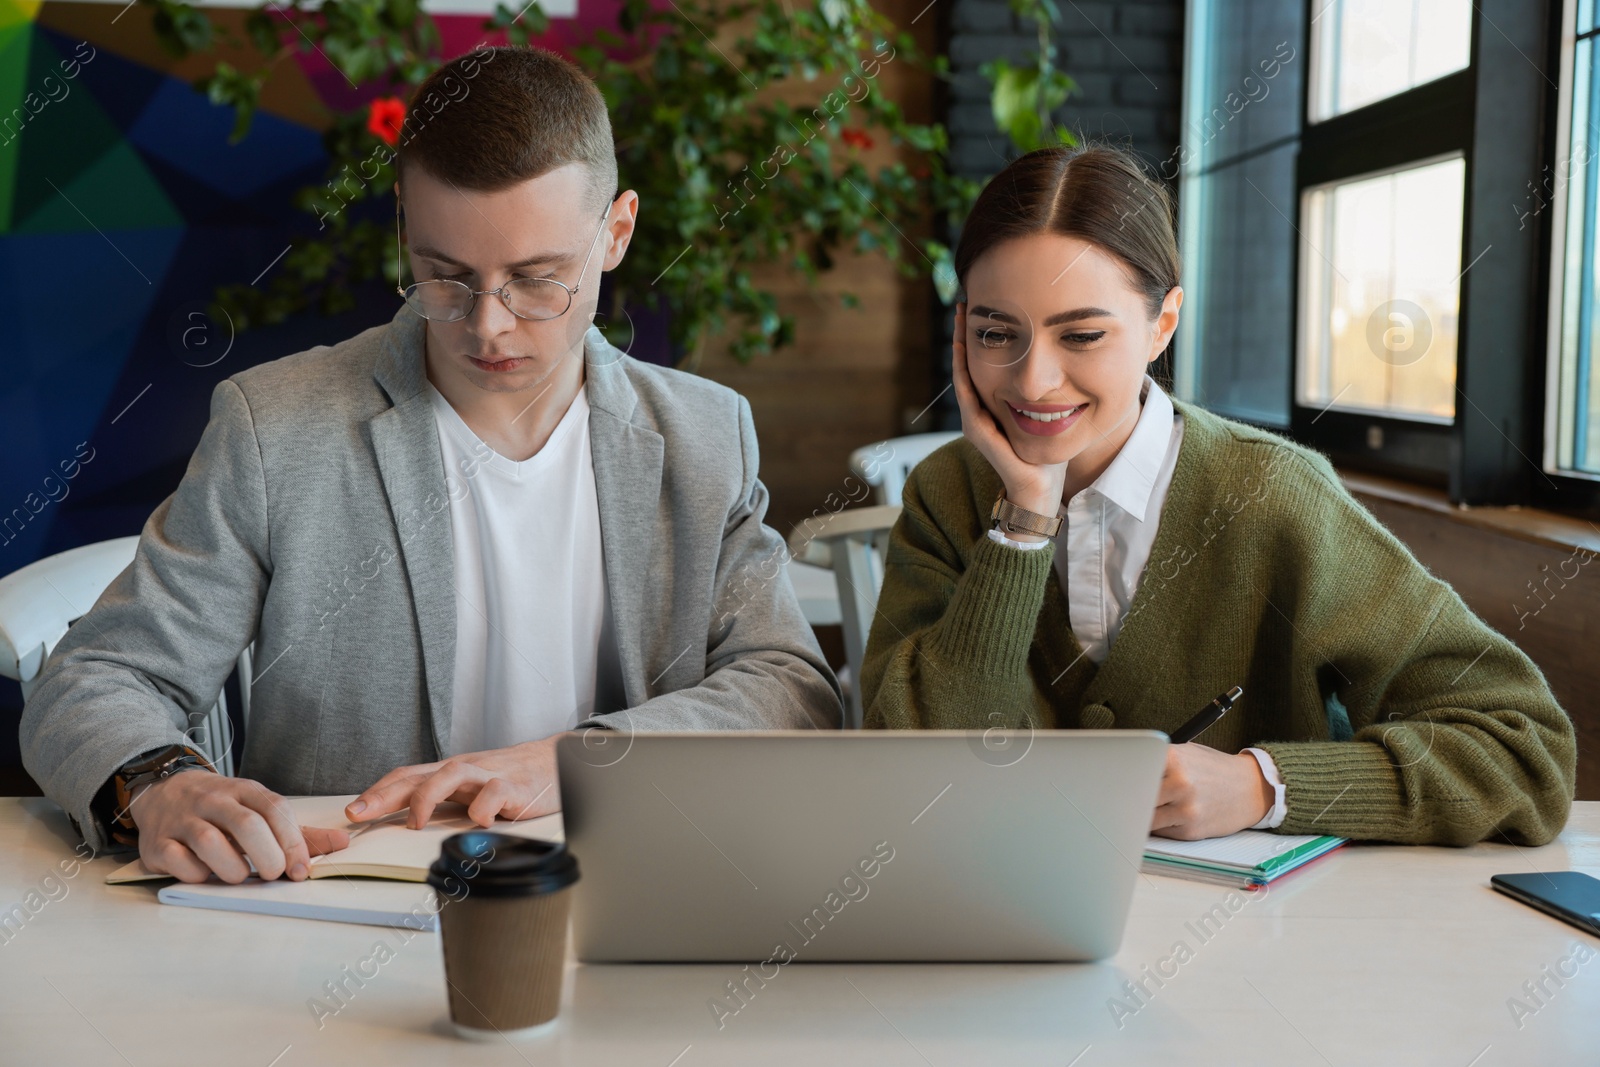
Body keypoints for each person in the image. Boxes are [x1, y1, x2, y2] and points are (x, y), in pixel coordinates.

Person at [20, 45, 841, 884]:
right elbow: (94, 677)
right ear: (407, 229)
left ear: (617, 234)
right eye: (446, 277)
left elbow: (792, 690)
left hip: (629, 892)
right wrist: (160, 784)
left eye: (537, 279)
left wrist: (573, 761)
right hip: (327, 920)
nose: (488, 325)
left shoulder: (706, 433)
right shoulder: (276, 428)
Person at [860, 143, 1575, 846]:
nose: (1033, 380)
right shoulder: (948, 492)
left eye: (1080, 334)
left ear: (1161, 324)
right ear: (961, 330)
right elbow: (914, 768)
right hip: (1005, 929)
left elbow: (1525, 750)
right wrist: (1022, 523)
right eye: (995, 333)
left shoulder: (1272, 495)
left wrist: (1263, 785)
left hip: (1265, 943)